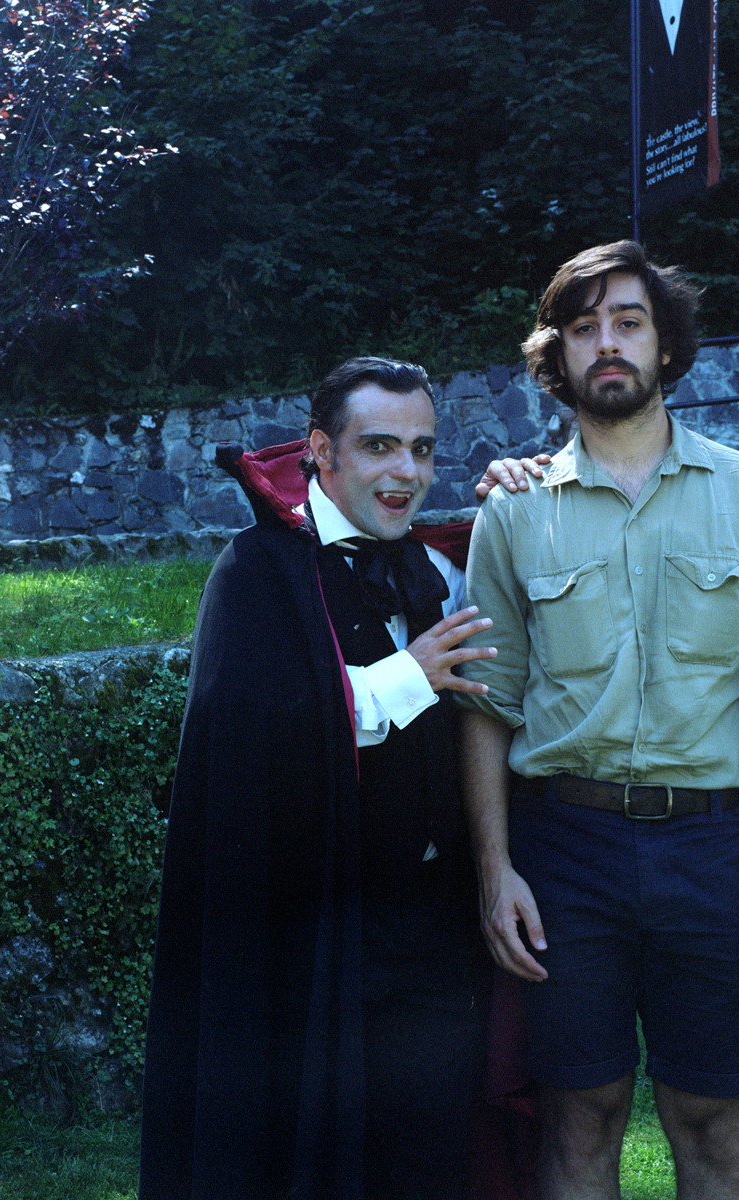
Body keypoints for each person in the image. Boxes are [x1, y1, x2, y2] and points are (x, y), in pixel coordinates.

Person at [458, 240, 739, 1200]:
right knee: (578, 1122)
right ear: (560, 356)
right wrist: (496, 868)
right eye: (583, 328)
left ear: (667, 345)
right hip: (564, 855)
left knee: (713, 1129)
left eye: (628, 321)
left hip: (710, 853)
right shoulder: (513, 513)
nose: (607, 344)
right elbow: (486, 709)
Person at [139, 357, 538, 1200]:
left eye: (424, 451)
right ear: (322, 450)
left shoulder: (437, 570)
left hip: (433, 932)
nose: (407, 474)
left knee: (433, 1155)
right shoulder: (255, 575)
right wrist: (407, 678)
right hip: (310, 943)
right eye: (380, 447)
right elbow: (246, 738)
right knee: (315, 1162)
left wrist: (522, 489)